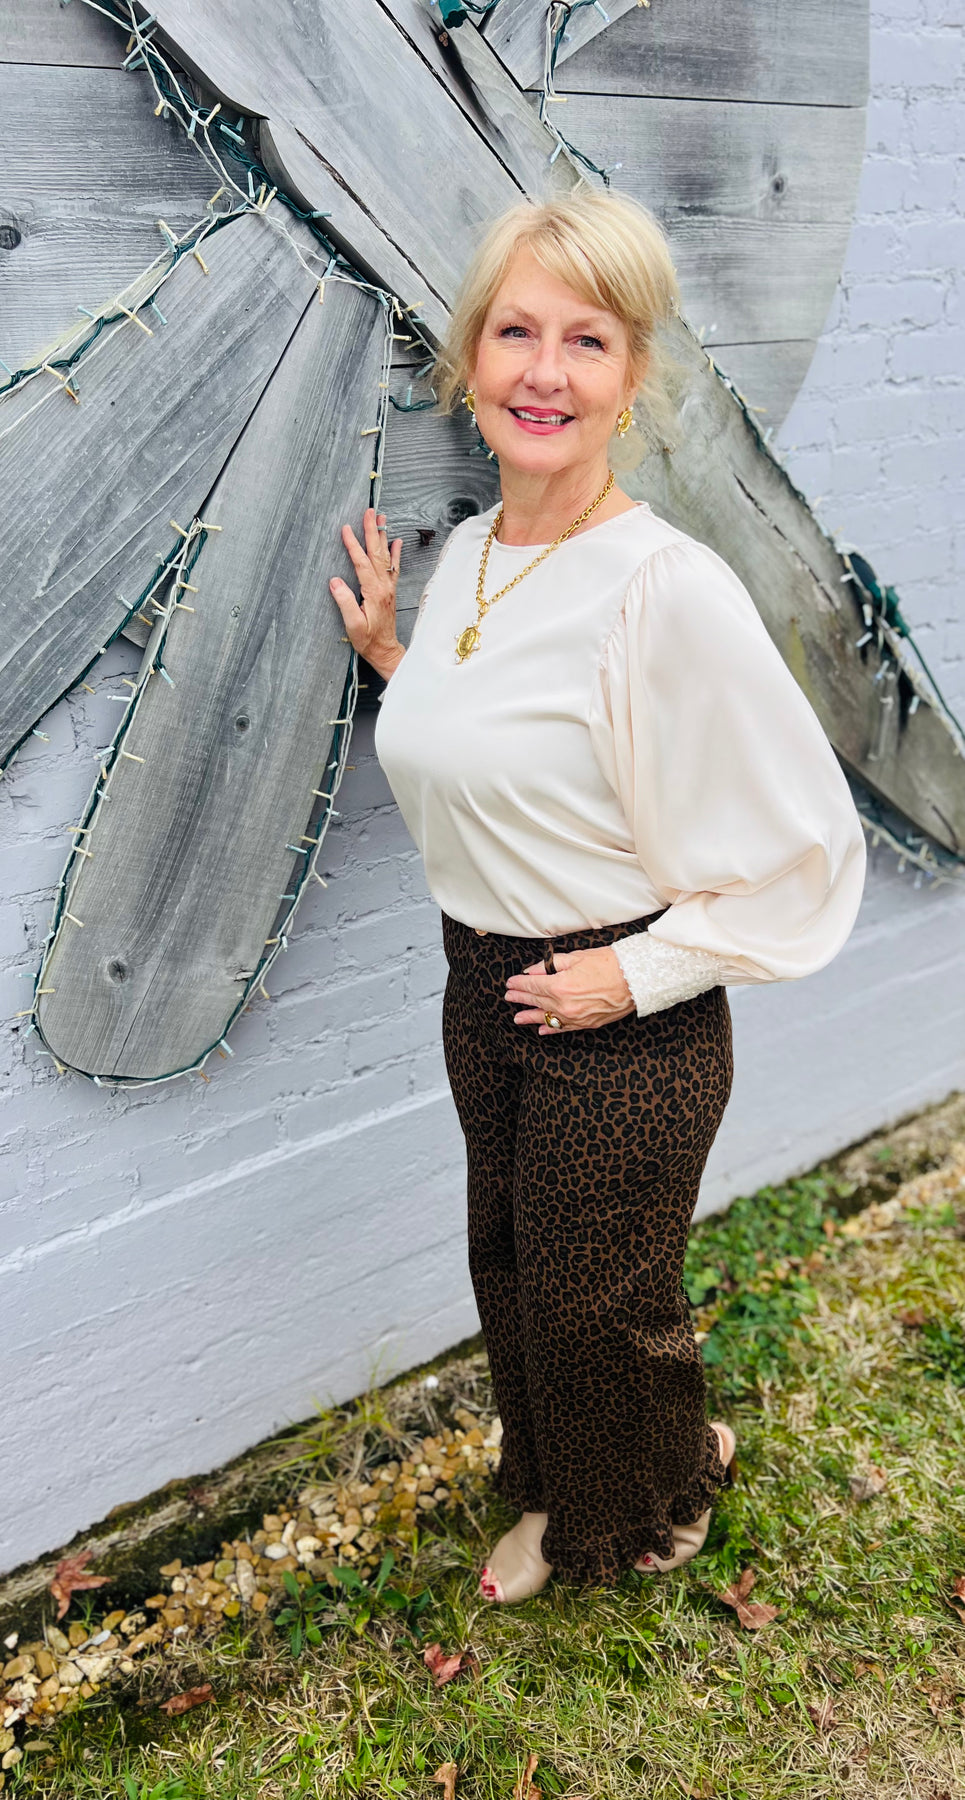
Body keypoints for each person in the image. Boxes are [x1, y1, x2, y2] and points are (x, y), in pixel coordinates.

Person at [328, 189, 867, 1605]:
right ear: (470, 358)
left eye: (588, 340)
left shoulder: (665, 587)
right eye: (516, 331)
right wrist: (395, 663)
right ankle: (591, 1474)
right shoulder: (470, 561)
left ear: (632, 378)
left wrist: (629, 975)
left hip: (621, 1006)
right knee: (512, 1264)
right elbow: (518, 742)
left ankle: (639, 1509)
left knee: (596, 1303)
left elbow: (805, 846)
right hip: (484, 983)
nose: (544, 372)